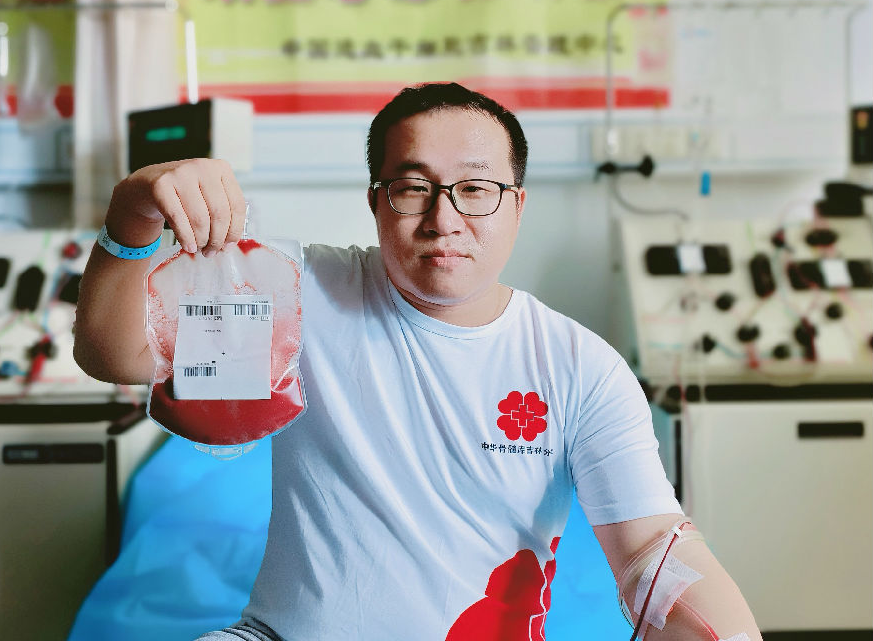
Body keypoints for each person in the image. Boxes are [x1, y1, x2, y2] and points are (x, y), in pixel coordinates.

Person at [74, 83, 762, 640]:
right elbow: (115, 352)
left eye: (475, 188)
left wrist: (717, 629)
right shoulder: (301, 295)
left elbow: (654, 550)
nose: (444, 218)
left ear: (517, 206)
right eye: (413, 187)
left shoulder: (578, 367)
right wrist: (134, 214)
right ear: (376, 201)